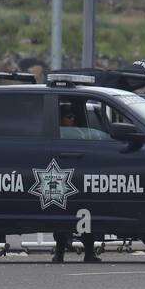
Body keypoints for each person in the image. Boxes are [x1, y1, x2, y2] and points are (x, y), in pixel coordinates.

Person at [51, 102, 101, 264]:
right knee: (61, 219)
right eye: (68, 116)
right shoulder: (57, 133)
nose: (71, 120)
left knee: (86, 218)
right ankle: (59, 253)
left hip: (78, 176)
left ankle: (89, 253)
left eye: (73, 116)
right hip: (62, 177)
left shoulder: (79, 131)